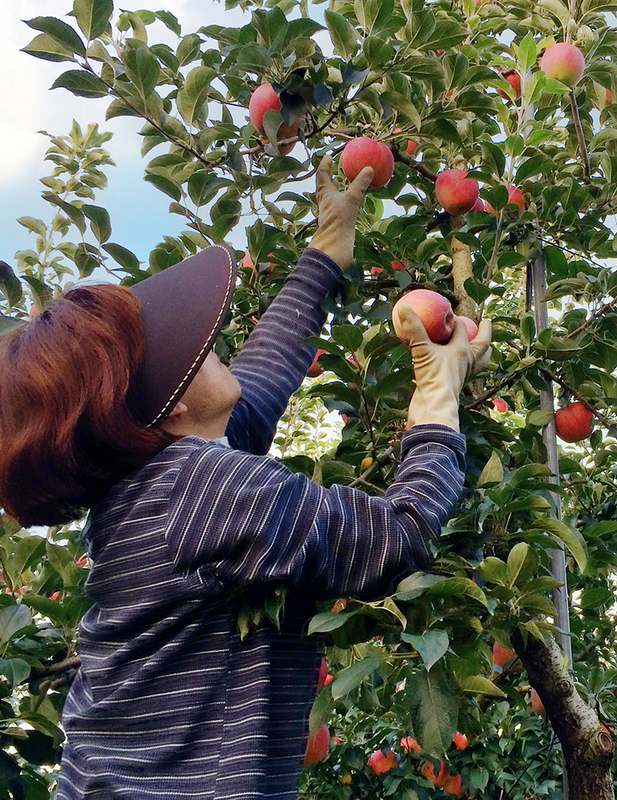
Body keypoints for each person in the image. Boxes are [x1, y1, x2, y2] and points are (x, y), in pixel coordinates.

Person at [0, 157, 491, 799]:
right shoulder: (197, 487)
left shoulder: (155, 480)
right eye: (190, 352)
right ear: (169, 404)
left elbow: (258, 381)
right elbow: (393, 539)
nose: (212, 345)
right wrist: (437, 393)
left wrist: (326, 252)